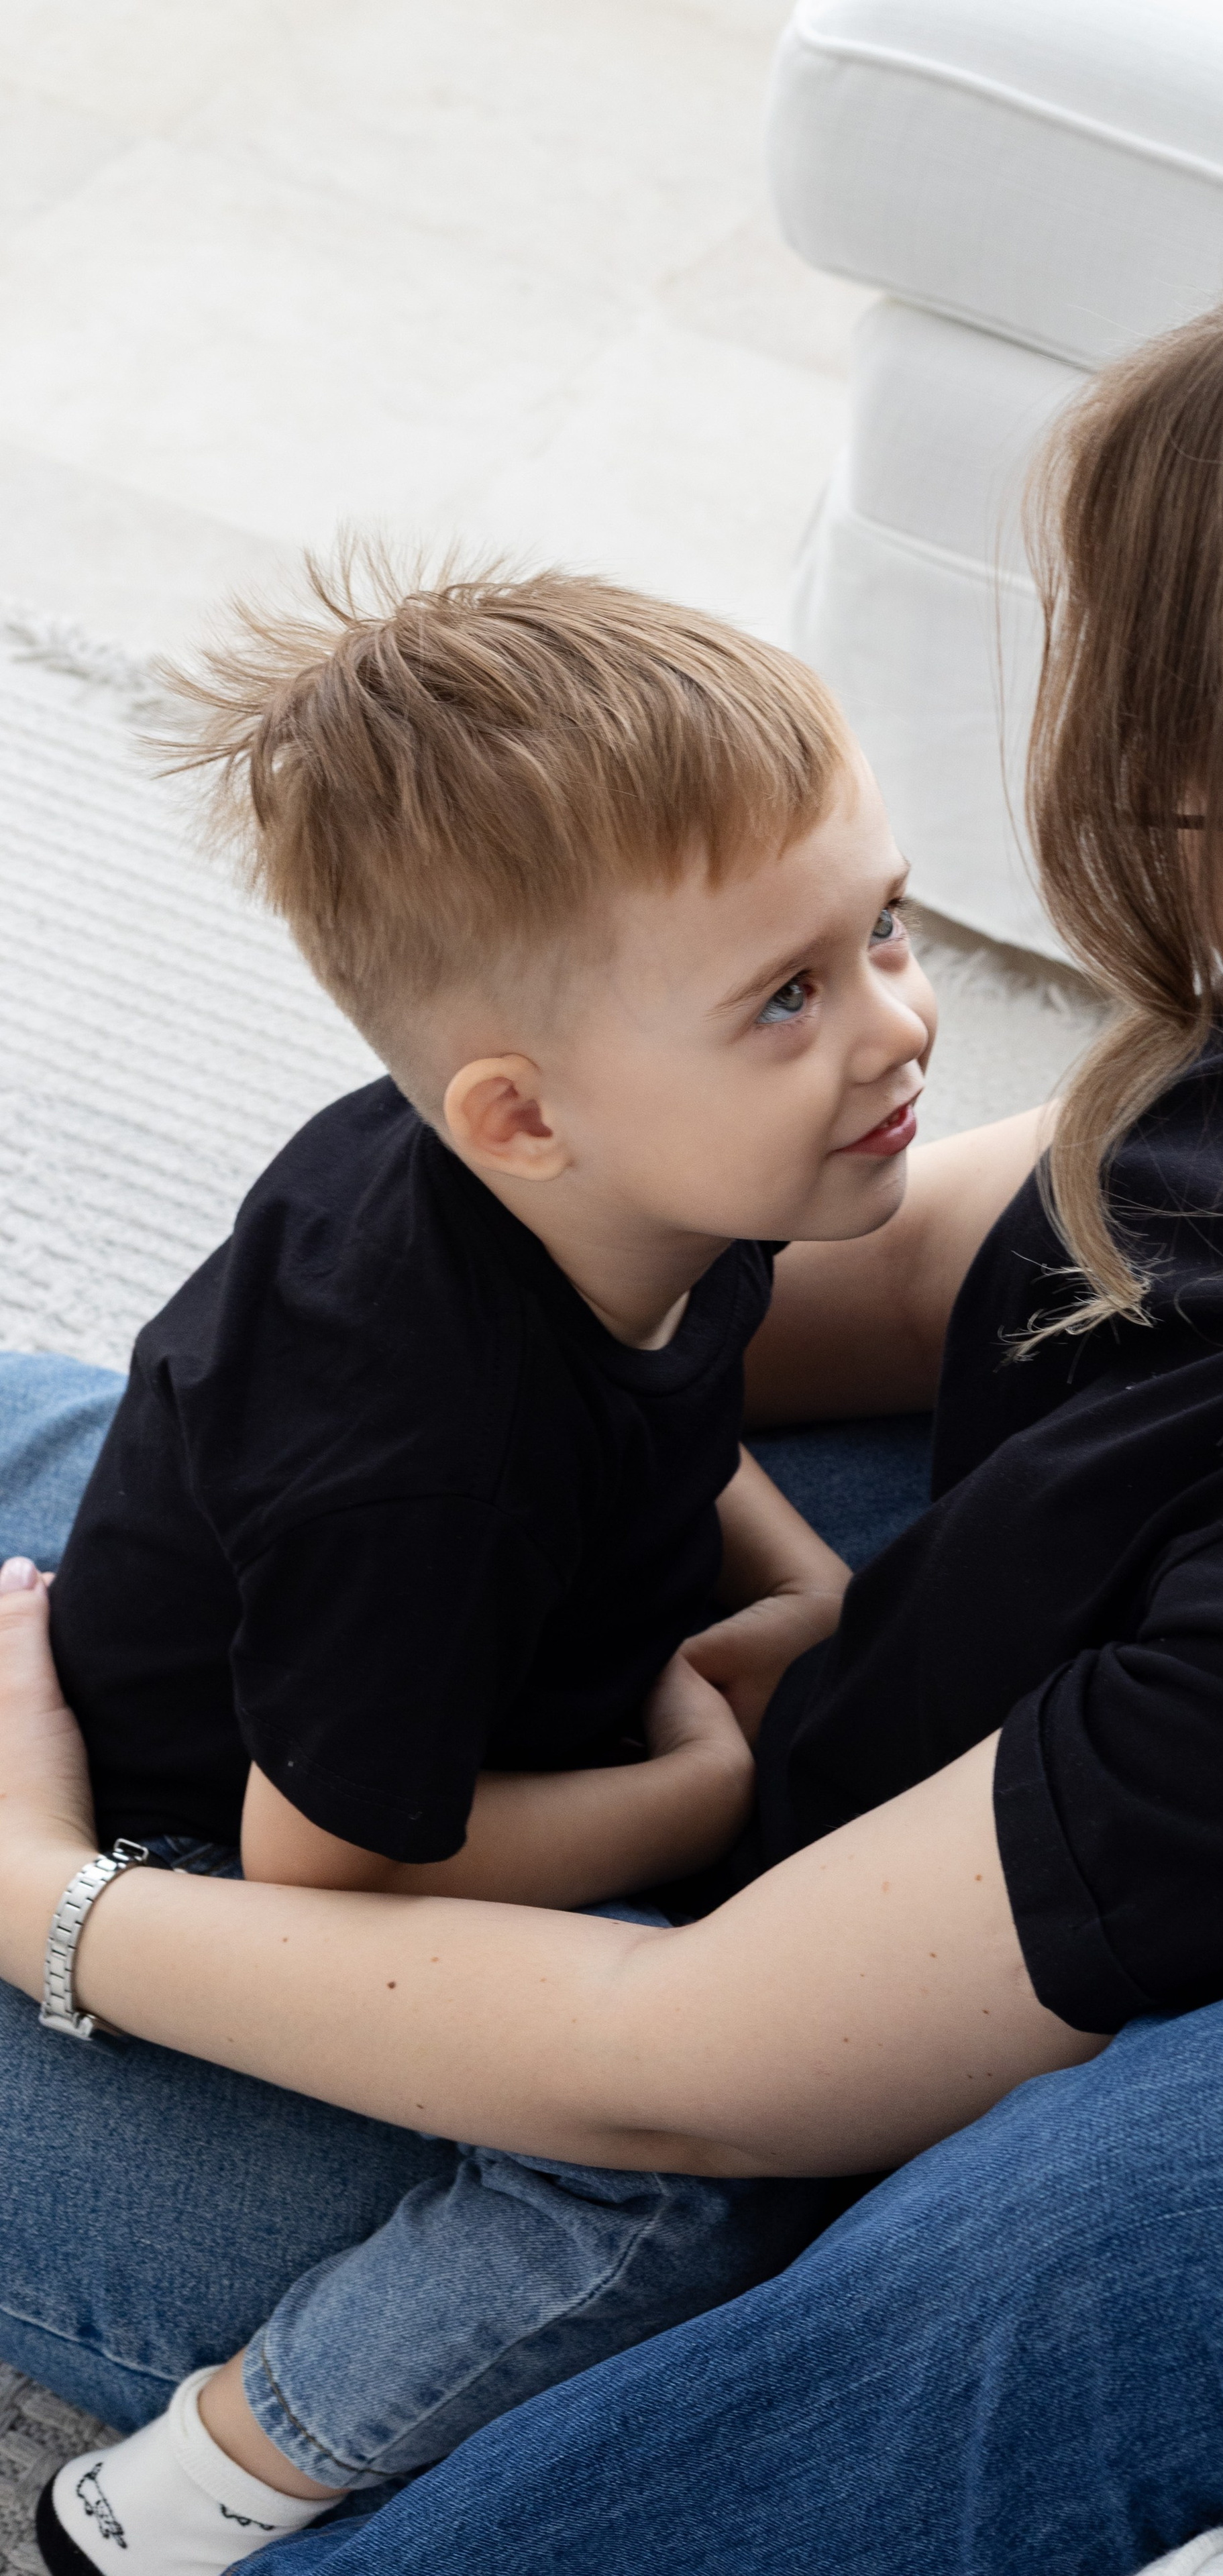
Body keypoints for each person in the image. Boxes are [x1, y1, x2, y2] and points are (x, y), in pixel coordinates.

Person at [2, 220, 1223, 2573]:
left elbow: (683, 2074)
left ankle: (217, 2476)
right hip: (743, 1758)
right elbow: (907, 1262)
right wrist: (421, 1372)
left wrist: (56, 1902)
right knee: (136, 1502)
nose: (1139, 780)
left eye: (1184, 743)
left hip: (747, 2053)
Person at [32, 567, 944, 2571]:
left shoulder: (659, 1182)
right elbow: (319, 1870)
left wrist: (815, 1587)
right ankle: (223, 2474)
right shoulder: (416, 1463)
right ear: (521, 1117)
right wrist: (700, 1782)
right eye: (789, 998)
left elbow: (673, 1404)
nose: (898, 1027)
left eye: (879, 927)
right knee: (682, 2190)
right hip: (238, 1834)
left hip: (369, 1623)